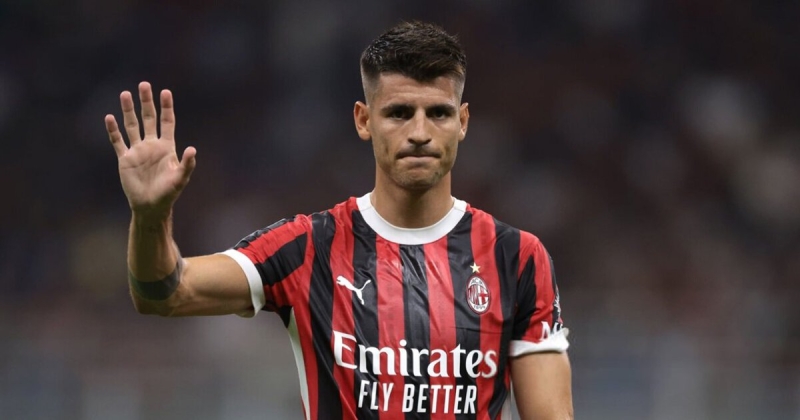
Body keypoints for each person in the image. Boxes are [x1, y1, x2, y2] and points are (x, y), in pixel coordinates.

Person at [105, 20, 573, 420]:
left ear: (463, 121)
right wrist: (150, 216)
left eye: (438, 113)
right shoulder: (307, 247)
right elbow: (163, 294)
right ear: (364, 120)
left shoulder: (517, 258)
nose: (419, 132)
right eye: (399, 113)